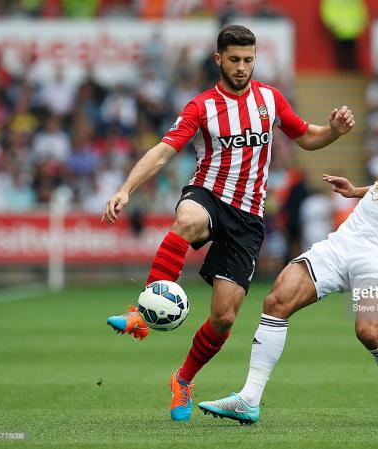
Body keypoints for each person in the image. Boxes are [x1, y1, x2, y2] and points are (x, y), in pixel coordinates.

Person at [101, 25, 355, 423]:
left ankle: (183, 380)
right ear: (218, 59)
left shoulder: (270, 100)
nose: (241, 67)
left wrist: (334, 133)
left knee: (224, 319)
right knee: (187, 217)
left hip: (248, 218)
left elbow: (306, 137)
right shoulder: (201, 106)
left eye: (248, 60)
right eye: (234, 60)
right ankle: (142, 311)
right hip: (208, 194)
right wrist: (125, 188)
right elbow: (164, 152)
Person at [198, 105, 378, 426]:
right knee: (276, 300)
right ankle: (249, 399)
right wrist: (357, 192)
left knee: (369, 333)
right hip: (342, 243)